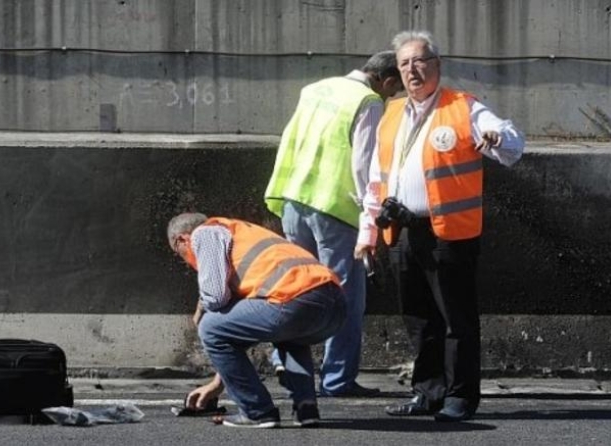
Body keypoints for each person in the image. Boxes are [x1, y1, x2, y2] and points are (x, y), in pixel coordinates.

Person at [354, 30, 525, 422]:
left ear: (437, 66)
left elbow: (513, 144)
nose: (413, 70)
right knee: (418, 318)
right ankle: (428, 391)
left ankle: (460, 397)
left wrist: (497, 139)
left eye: (420, 61)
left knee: (456, 319)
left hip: (449, 232)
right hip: (401, 230)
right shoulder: (392, 112)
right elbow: (377, 178)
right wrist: (368, 232)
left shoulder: (463, 107)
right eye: (404, 64)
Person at [264, 51, 404, 397]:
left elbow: (291, 138)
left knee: (299, 290)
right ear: (386, 81)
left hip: (295, 198)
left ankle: (285, 360)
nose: (393, 98)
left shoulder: (316, 88)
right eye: (395, 91)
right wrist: (369, 215)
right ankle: (338, 380)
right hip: (336, 209)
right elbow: (363, 163)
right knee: (344, 299)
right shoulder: (369, 101)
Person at [167, 212, 346, 428]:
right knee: (291, 338)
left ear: (181, 240)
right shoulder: (245, 233)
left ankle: (257, 412)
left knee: (209, 327)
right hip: (334, 306)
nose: (186, 262)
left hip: (294, 302)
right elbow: (242, 333)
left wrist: (200, 311)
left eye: (180, 254)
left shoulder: (205, 233)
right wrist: (218, 383)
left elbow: (215, 297)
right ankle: (306, 409)